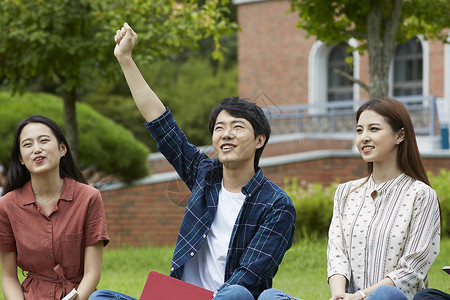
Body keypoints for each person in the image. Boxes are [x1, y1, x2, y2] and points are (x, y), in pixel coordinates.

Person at [89, 23, 296, 300]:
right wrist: (125, 59)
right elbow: (161, 125)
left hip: (228, 299)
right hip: (179, 297)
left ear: (260, 140)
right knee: (101, 297)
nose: (226, 134)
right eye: (219, 128)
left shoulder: (276, 205)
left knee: (236, 293)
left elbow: (248, 277)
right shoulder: (204, 175)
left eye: (237, 127)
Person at [258, 97, 441, 300]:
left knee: (386, 294)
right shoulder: (346, 192)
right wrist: (339, 295)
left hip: (390, 299)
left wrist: (361, 296)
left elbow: (411, 269)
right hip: (347, 299)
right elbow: (337, 254)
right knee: (269, 296)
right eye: (359, 130)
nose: (364, 137)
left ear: (400, 135)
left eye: (374, 129)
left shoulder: (421, 195)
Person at [0, 115, 110, 299]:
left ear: (62, 149)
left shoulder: (89, 197)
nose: (36, 149)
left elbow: (92, 273)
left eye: (44, 140)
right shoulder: (7, 206)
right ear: (20, 158)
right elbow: (8, 276)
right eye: (27, 144)